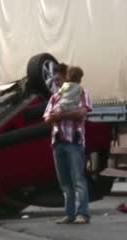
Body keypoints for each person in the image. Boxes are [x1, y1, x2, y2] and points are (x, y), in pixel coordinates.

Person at [43, 64, 93, 224]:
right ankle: (70, 213)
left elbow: (82, 112)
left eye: (58, 79)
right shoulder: (55, 97)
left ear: (66, 77)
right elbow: (46, 118)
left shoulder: (81, 92)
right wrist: (58, 117)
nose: (56, 82)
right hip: (58, 142)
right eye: (55, 80)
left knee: (78, 179)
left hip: (74, 141)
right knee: (64, 182)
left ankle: (82, 213)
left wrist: (61, 114)